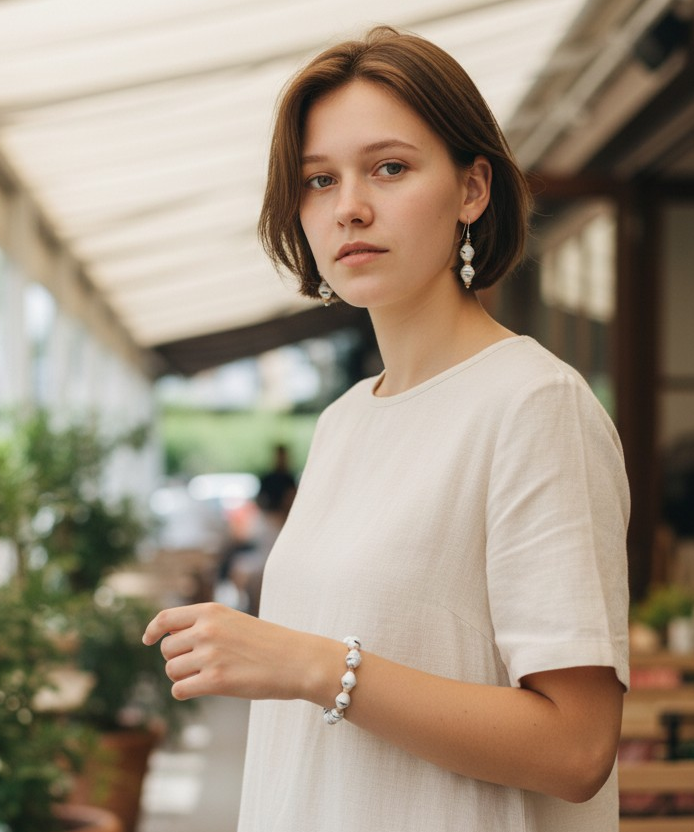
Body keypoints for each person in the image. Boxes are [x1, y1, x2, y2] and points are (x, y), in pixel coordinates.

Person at [143, 25, 630, 832]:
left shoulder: (534, 405)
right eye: (319, 180)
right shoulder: (342, 423)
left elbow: (577, 747)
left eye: (389, 168)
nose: (350, 208)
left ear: (473, 190)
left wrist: (305, 662)